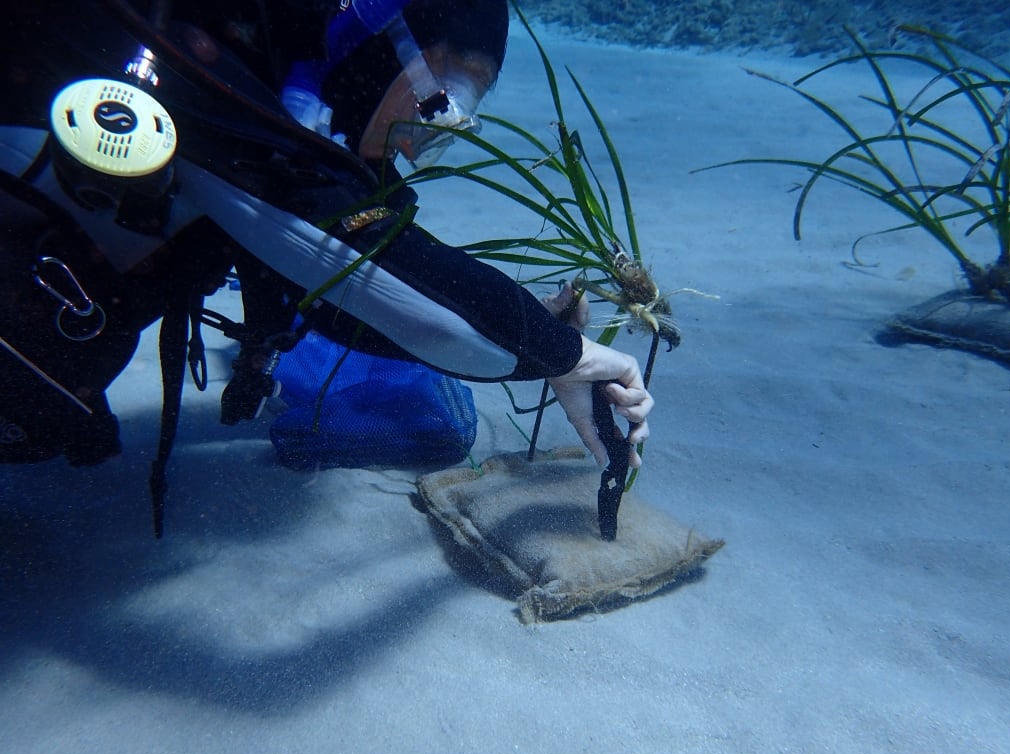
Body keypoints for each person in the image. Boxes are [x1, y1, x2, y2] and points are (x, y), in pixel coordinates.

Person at [0, 0, 653, 532]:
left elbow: (339, 293)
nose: (430, 134)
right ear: (380, 35)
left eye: (463, 112)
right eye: (443, 97)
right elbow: (438, 318)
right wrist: (570, 355)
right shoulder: (196, 70)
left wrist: (539, 335)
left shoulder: (265, 91)